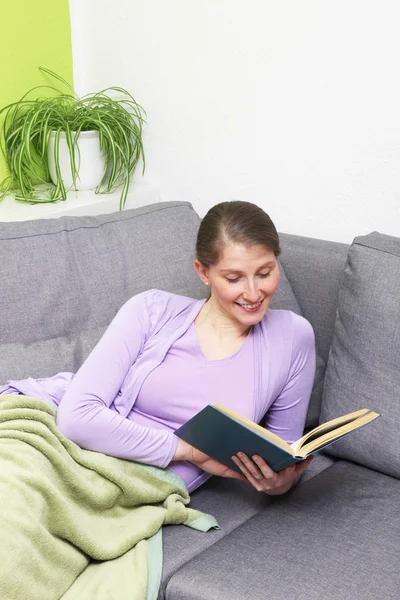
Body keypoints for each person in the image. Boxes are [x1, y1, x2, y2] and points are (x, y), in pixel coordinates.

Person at [50, 201, 315, 495]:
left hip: (136, 485)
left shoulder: (292, 337)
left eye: (264, 273)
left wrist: (279, 484)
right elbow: (75, 418)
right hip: (59, 439)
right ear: (203, 272)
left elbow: (285, 455)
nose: (253, 293)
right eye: (234, 278)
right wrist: (188, 451)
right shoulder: (151, 310)